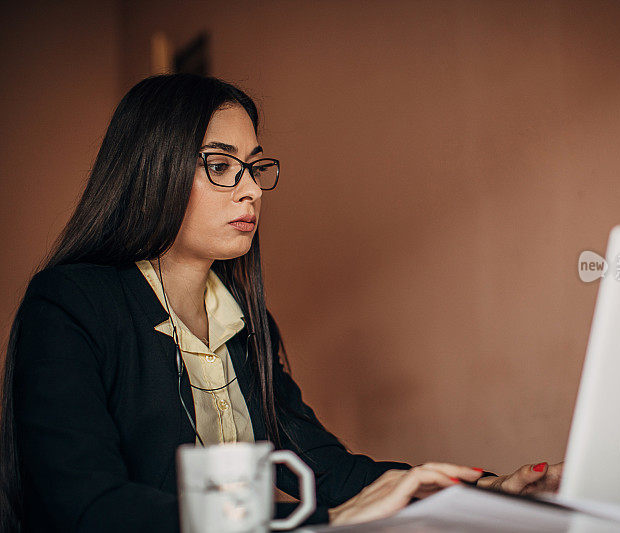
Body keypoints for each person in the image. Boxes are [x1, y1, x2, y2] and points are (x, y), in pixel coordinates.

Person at [0, 73, 563, 532]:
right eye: (221, 166)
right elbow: (87, 506)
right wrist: (313, 523)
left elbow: (322, 469)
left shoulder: (245, 323)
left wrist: (487, 489)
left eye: (254, 166)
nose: (250, 190)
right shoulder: (71, 303)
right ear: (152, 169)